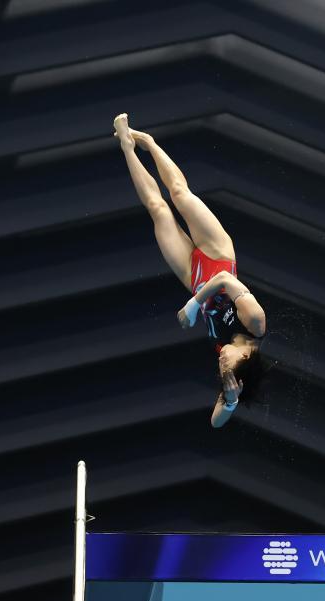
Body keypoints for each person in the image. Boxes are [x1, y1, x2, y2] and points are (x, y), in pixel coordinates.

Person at [114, 113, 268, 428]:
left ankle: (128, 147)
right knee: (180, 195)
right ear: (247, 360)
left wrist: (231, 400)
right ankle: (149, 142)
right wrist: (195, 304)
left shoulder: (226, 360)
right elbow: (224, 279)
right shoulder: (255, 323)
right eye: (229, 365)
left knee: (158, 210)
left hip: (193, 277)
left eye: (221, 369)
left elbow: (215, 423)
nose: (222, 362)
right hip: (218, 255)